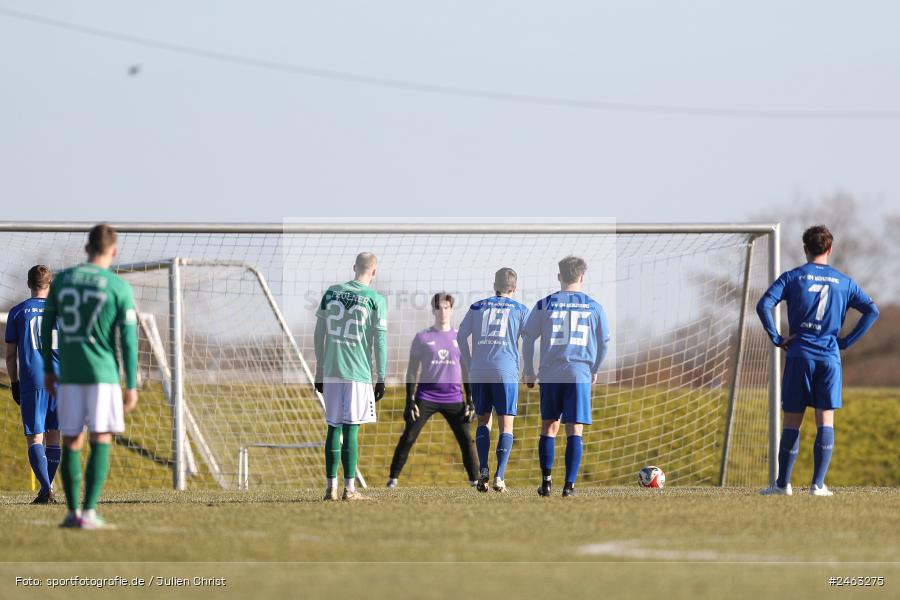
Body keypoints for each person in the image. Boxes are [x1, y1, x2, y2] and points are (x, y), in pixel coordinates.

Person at [757, 225, 879, 496]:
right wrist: (846, 341)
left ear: (805, 249)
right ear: (830, 249)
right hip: (829, 358)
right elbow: (872, 310)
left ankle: (782, 485)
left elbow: (763, 304)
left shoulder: (792, 277)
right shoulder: (844, 282)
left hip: (800, 355)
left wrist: (777, 338)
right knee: (825, 420)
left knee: (792, 421)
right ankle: (817, 485)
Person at [41, 224, 139, 528]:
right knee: (101, 438)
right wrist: (132, 384)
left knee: (71, 439)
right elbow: (129, 340)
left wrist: (47, 368)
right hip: (103, 375)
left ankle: (72, 514)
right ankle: (90, 511)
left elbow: (46, 327)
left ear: (87, 248)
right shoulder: (118, 287)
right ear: (114, 250)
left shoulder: (63, 280)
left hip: (68, 374)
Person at [522, 256, 609, 497]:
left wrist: (528, 369)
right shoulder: (594, 306)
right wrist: (595, 369)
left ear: (559, 276)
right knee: (575, 430)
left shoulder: (544, 304)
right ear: (582, 277)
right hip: (579, 372)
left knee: (549, 427)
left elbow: (528, 338)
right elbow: (604, 343)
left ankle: (546, 482)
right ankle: (569, 487)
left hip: (551, 373)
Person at [314, 252, 387, 501]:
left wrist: (320, 368)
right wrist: (382, 376)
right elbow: (380, 341)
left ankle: (330, 488)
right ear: (374, 272)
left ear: (354, 267)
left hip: (332, 369)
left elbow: (318, 333)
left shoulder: (332, 291)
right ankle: (350, 489)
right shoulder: (374, 298)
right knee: (351, 429)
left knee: (333, 427)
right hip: (358, 372)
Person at [387, 293, 478, 488]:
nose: (442, 311)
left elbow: (467, 371)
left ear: (451, 310)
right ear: (433, 310)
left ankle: (475, 481)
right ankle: (392, 480)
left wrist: (471, 400)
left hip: (454, 398)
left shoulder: (459, 338)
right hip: (426, 396)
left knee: (466, 439)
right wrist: (409, 400)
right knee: (409, 436)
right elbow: (412, 371)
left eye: (446, 307)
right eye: (439, 308)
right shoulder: (422, 337)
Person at [457, 268, 528, 493]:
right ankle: (499, 477)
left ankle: (484, 469)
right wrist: (527, 368)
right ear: (514, 288)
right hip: (504, 370)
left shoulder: (477, 306)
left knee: (483, 421)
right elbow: (530, 339)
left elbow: (460, 335)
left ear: (494, 284)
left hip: (479, 370)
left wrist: (469, 362)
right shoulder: (520, 309)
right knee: (506, 424)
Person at [5, 265, 61, 504]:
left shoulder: (18, 312)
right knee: (54, 438)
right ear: (50, 284)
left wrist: (14, 382)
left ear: (28, 284)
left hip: (33, 380)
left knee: (35, 438)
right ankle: (46, 489)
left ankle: (46, 488)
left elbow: (9, 355)